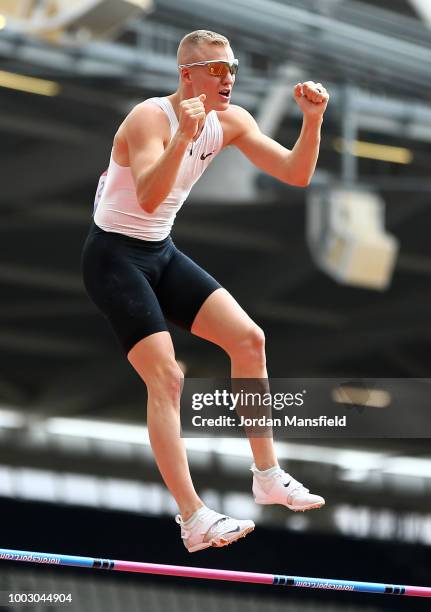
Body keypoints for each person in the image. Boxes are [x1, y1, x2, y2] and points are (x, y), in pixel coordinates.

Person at [81, 29, 329, 553]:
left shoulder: (231, 121)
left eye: (233, 69)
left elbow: (296, 172)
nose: (229, 79)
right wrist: (182, 137)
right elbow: (148, 197)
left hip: (159, 252)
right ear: (187, 75)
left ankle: (267, 475)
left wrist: (312, 122)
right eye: (217, 70)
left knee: (249, 340)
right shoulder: (149, 118)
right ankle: (192, 518)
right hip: (113, 258)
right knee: (168, 378)